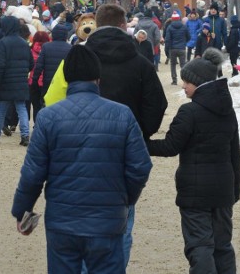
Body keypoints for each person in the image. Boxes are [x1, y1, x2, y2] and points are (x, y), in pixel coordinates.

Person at [11, 45, 152, 273]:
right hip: (108, 219)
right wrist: (125, 198)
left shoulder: (48, 117)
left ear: (66, 78)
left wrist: (22, 210)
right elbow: (140, 166)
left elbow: (33, 172)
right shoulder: (122, 114)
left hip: (62, 221)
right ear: (98, 77)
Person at [82, 3, 168, 266]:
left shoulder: (80, 61)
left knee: (84, 221)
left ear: (96, 24)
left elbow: (56, 98)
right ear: (124, 25)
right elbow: (158, 103)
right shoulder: (140, 63)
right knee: (122, 220)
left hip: (84, 147)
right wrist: (141, 131)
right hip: (126, 150)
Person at [148, 48, 240, 274]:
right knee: (222, 245)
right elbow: (234, 153)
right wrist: (234, 189)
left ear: (198, 83)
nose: (183, 86)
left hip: (195, 192)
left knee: (199, 245)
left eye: (186, 82)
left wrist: (141, 143)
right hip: (223, 190)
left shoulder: (189, 112)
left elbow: (170, 147)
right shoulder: (228, 111)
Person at [0, 16, 34, 146]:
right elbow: (31, 64)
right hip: (21, 80)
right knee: (21, 107)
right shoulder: (24, 42)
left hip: (6, 80)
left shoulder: (3, 43)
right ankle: (25, 136)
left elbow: (0, 64)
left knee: (1, 107)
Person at [31, 20, 72, 101]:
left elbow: (39, 66)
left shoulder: (46, 47)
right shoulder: (70, 48)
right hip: (64, 83)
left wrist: (34, 80)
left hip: (48, 82)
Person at [27, 31, 51, 122]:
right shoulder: (49, 49)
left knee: (35, 105)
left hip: (33, 80)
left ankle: (36, 123)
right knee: (45, 105)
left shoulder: (30, 49)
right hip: (46, 80)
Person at [165, 11, 190, 86]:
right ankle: (185, 80)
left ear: (172, 19)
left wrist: (167, 49)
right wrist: (184, 43)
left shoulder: (170, 27)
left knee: (173, 65)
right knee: (183, 65)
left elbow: (168, 39)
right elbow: (189, 37)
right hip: (182, 48)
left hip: (172, 49)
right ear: (179, 18)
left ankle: (174, 80)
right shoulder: (184, 26)